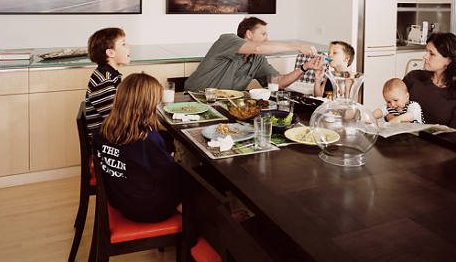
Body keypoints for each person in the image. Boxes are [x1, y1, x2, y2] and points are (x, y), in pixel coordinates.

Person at [91, 73, 181, 223]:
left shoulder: (100, 133)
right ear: (146, 107)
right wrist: (169, 160)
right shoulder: (148, 140)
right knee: (193, 180)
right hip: (151, 210)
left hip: (121, 202)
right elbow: (173, 176)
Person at [184, 16, 323, 92]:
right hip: (194, 98)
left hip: (222, 106)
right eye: (263, 34)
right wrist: (298, 46)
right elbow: (257, 47)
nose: (266, 39)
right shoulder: (227, 40)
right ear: (248, 34)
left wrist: (304, 67)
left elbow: (279, 83)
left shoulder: (257, 60)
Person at [403, 32, 456, 143]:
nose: (425, 57)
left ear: (448, 60)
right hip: (401, 141)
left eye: (431, 54)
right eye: (426, 51)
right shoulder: (413, 77)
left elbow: (451, 141)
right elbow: (392, 106)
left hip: (431, 150)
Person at [85, 27, 131, 140]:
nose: (129, 46)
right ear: (110, 52)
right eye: (123, 44)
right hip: (107, 142)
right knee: (161, 140)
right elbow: (117, 121)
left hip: (112, 136)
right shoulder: (104, 81)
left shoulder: (109, 75)